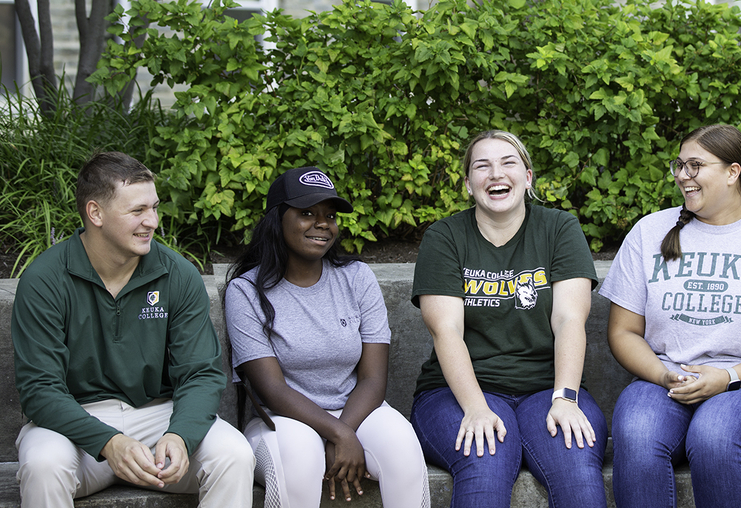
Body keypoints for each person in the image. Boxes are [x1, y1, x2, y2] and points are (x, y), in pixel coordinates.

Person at [11, 151, 254, 508]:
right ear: (95, 213)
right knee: (43, 464)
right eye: (137, 211)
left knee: (234, 455)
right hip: (76, 425)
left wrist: (181, 434)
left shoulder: (177, 274)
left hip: (161, 417)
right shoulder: (45, 279)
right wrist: (109, 442)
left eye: (154, 208)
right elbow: (39, 389)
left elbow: (200, 373)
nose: (152, 221)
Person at [600, 124, 741, 508]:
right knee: (636, 432)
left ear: (733, 172)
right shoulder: (649, 232)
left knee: (713, 437)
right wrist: (662, 373)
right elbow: (623, 332)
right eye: (679, 165)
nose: (683, 176)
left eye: (695, 166)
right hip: (663, 379)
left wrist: (728, 377)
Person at [409, 130, 607, 508]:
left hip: (546, 389)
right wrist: (476, 407)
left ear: (528, 177)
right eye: (482, 166)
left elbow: (569, 320)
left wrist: (565, 398)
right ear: (468, 184)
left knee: (576, 467)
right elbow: (446, 330)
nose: (496, 174)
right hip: (458, 392)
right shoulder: (445, 236)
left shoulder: (559, 229)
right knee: (485, 460)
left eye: (508, 163)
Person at [225, 166, 430, 507]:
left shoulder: (356, 278)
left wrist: (344, 431)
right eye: (306, 213)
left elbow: (373, 378)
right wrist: (336, 433)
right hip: (282, 420)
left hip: (356, 411)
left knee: (403, 447)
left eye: (330, 216)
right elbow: (272, 390)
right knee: (302, 458)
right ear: (277, 219)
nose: (322, 224)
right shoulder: (246, 291)